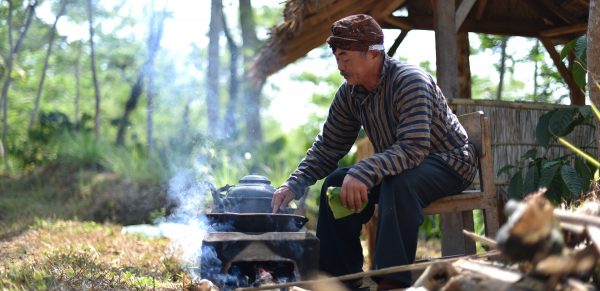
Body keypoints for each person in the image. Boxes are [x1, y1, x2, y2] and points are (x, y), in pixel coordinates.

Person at [271, 14, 477, 290]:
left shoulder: (409, 80)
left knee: (399, 183)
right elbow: (328, 146)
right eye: (337, 59)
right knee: (335, 184)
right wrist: (293, 183)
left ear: (372, 54)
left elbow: (414, 148)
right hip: (403, 166)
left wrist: (364, 170)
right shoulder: (349, 94)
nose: (340, 67)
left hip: (448, 163)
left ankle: (391, 281)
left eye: (346, 58)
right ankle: (340, 281)